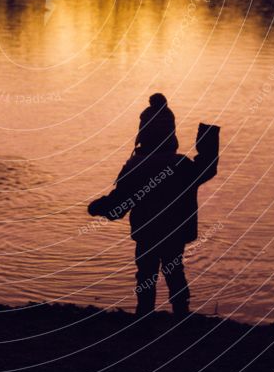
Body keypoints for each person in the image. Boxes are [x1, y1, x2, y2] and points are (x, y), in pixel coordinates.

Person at [88, 122, 219, 320]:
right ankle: (181, 314)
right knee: (174, 271)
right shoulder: (181, 164)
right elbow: (207, 168)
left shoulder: (136, 166)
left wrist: (99, 207)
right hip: (175, 232)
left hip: (147, 232)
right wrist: (207, 136)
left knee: (146, 275)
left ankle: (144, 315)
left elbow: (120, 203)